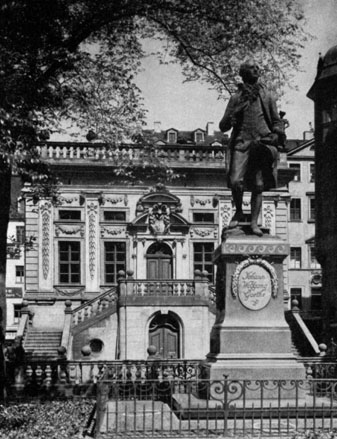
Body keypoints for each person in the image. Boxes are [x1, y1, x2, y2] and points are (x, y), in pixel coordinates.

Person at [219, 60, 284, 236]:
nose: (256, 69)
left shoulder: (268, 96)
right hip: (241, 143)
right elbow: (223, 126)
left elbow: (277, 121)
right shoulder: (235, 98)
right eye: (251, 68)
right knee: (235, 181)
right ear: (243, 73)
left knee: (258, 185)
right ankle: (239, 210)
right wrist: (233, 115)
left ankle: (254, 222)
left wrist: (277, 132)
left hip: (261, 144)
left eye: (257, 67)